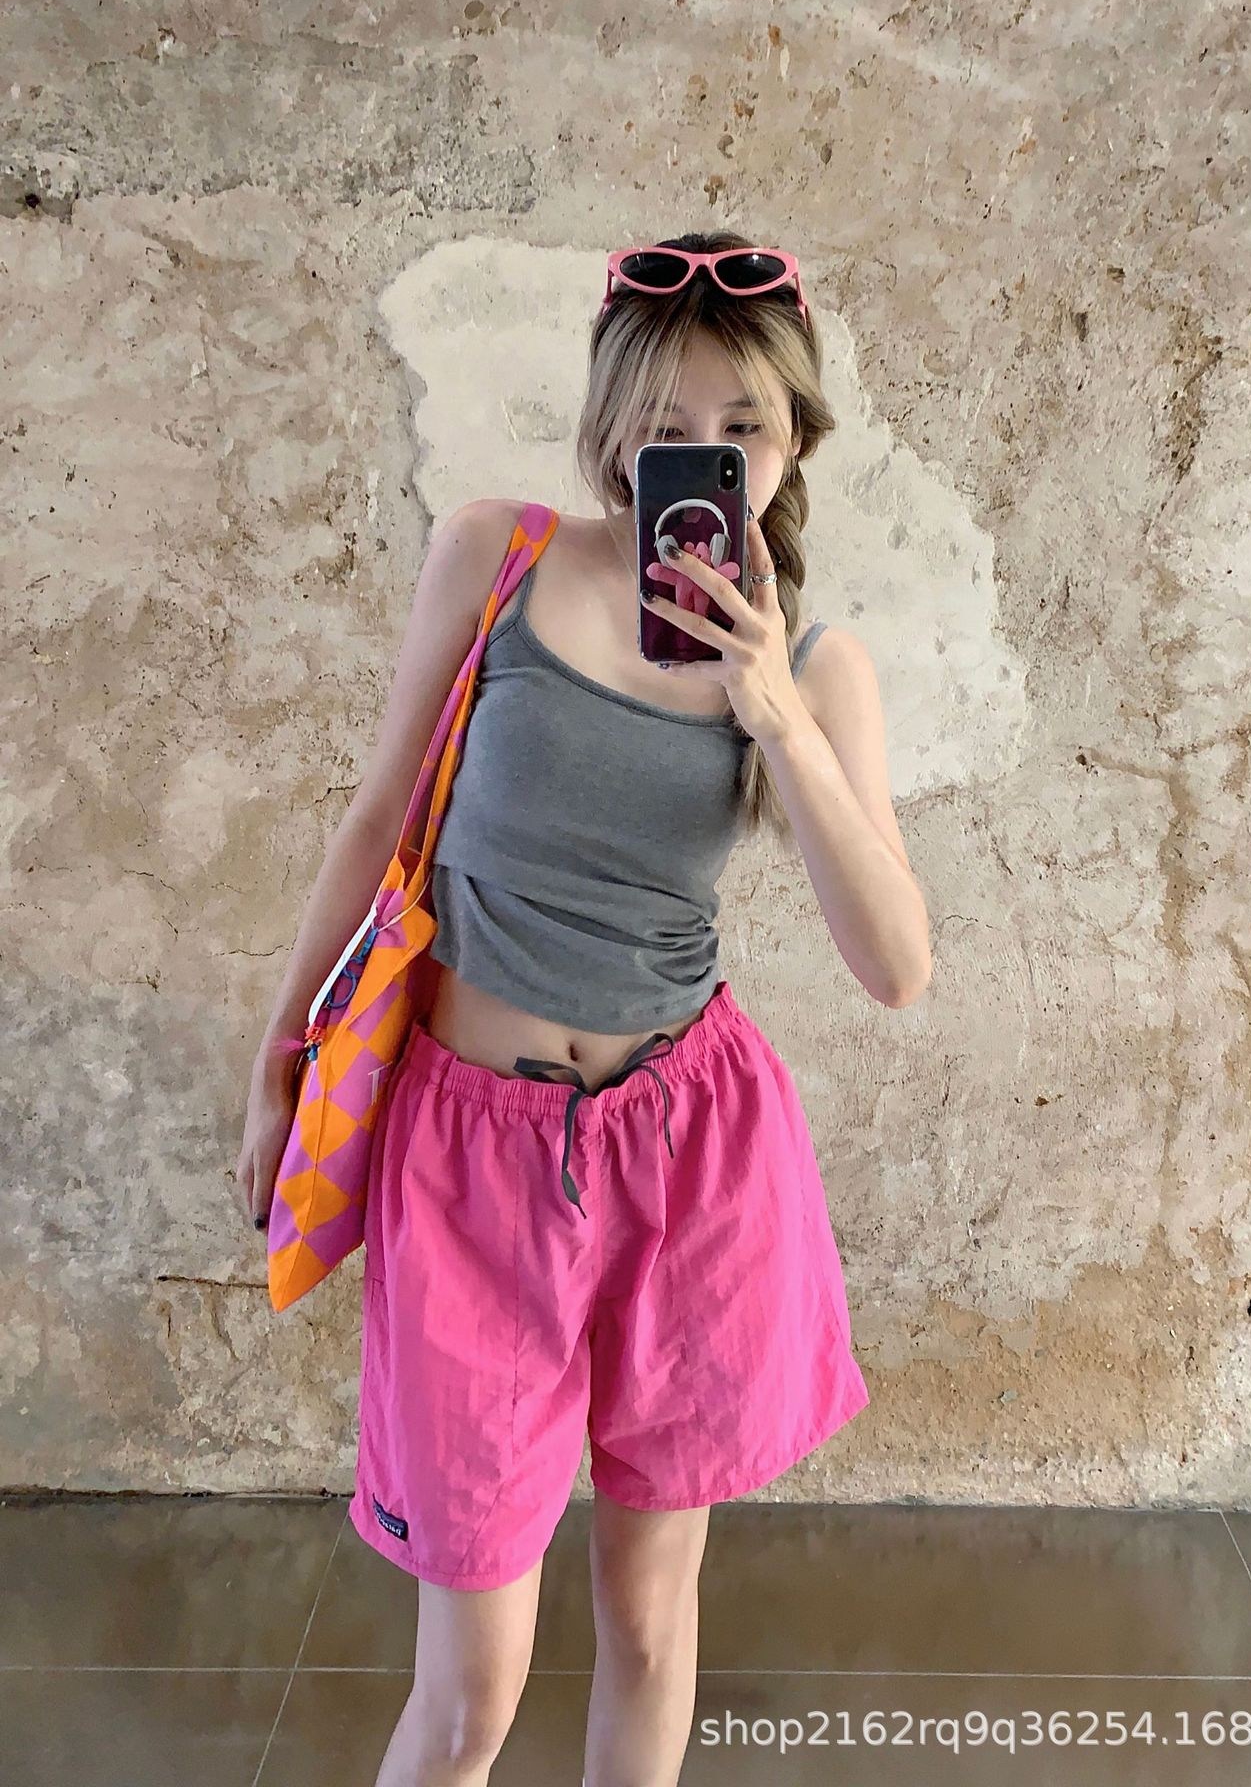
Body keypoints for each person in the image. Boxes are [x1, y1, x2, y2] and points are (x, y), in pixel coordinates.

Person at [236, 229, 932, 1787]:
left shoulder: (821, 670)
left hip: (688, 1158)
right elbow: (374, 818)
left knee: (646, 1625)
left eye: (742, 427)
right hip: (469, 1163)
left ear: (794, 439)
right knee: (467, 1694)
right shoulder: (495, 556)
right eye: (666, 424)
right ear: (613, 425)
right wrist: (281, 1062)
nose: (703, 455)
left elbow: (895, 965)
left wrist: (773, 712)